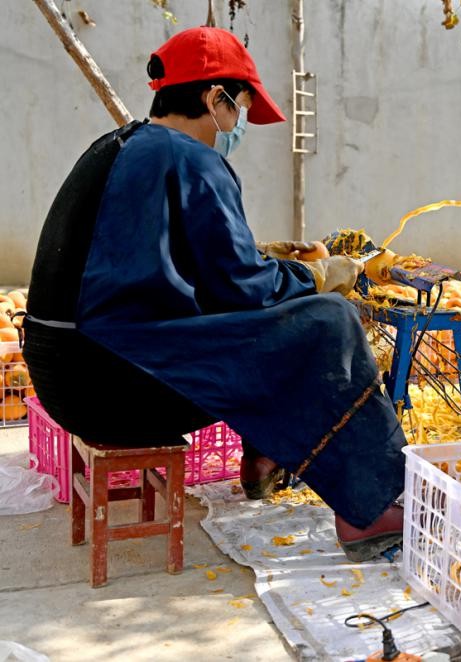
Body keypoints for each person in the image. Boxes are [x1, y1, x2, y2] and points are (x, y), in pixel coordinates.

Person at [23, 27, 406, 562]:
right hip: (114, 388)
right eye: (240, 107)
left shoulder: (118, 146)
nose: (239, 122)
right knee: (328, 321)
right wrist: (323, 275)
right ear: (214, 98)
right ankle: (370, 508)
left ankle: (266, 455)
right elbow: (244, 288)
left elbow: (161, 261)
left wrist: (267, 255)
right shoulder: (192, 158)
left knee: (275, 319)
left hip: (63, 376)